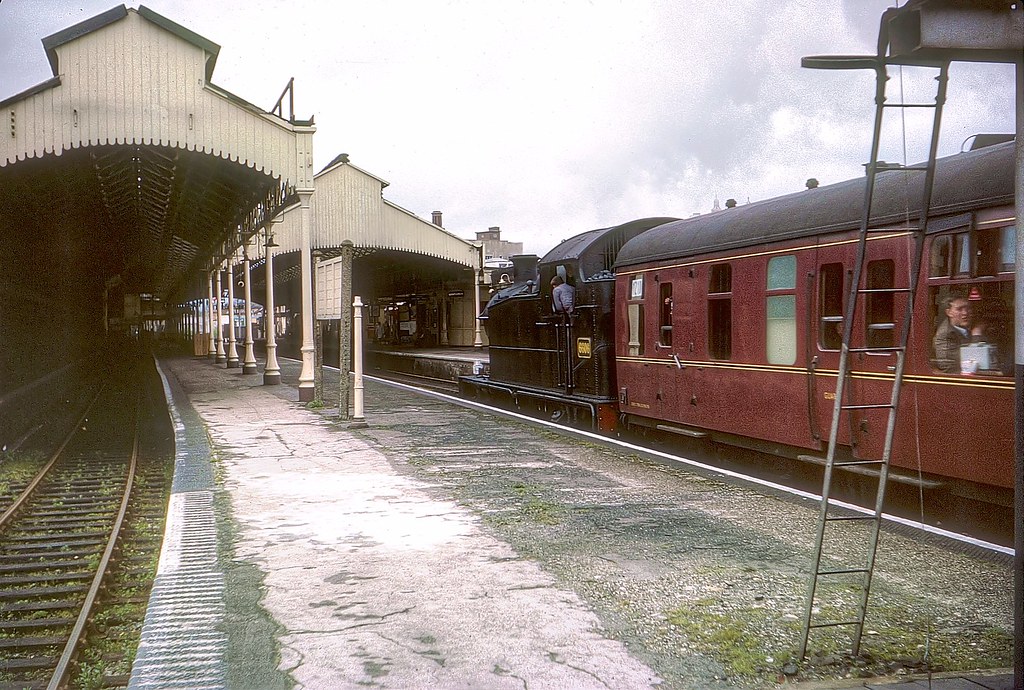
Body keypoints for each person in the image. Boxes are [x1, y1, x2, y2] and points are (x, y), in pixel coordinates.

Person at [932, 294, 973, 373]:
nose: (965, 313)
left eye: (968, 308)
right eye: (959, 309)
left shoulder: (965, 328)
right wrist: (977, 336)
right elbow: (950, 370)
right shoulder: (945, 335)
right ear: (949, 312)